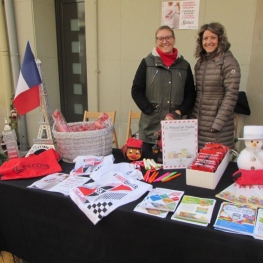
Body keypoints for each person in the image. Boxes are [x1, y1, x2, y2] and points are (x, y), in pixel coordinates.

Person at [131, 25, 196, 152]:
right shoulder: (147, 63)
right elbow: (136, 90)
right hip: (151, 127)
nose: (165, 41)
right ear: (156, 41)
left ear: (174, 39)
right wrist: (149, 110)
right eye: (160, 38)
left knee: (175, 167)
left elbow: (190, 93)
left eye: (168, 37)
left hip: (176, 127)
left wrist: (179, 112)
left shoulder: (184, 65)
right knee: (150, 165)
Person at [191, 22, 241, 150]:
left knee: (215, 165)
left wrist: (218, 124)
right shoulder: (200, 63)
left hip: (218, 129)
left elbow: (231, 95)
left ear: (220, 39)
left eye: (213, 37)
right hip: (199, 125)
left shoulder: (229, 62)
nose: (209, 41)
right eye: (205, 38)